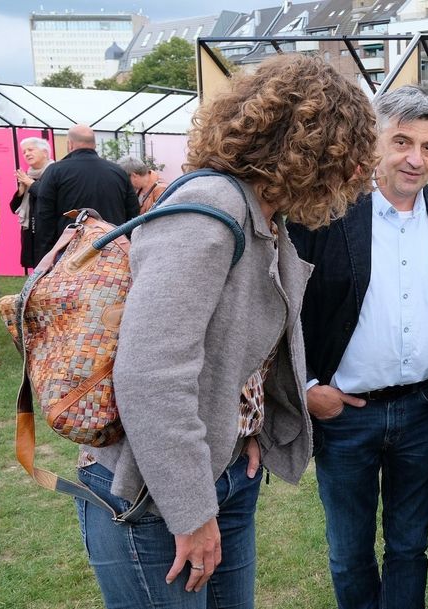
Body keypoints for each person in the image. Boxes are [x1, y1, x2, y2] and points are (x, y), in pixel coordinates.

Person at [74, 54, 378, 609]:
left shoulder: (261, 212)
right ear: (310, 147)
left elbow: (237, 348)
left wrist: (249, 431)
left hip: (222, 473)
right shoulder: (209, 207)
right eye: (348, 155)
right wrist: (191, 512)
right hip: (154, 494)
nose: (356, 174)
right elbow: (150, 374)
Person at [287, 85, 428, 609]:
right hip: (345, 416)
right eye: (402, 141)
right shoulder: (326, 215)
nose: (415, 158)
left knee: (409, 547)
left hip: (425, 412)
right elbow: (282, 309)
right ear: (373, 142)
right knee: (348, 549)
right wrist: (307, 387)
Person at [32, 124, 139, 262]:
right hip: (112, 250)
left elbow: (44, 217)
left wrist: (46, 255)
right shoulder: (118, 172)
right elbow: (133, 213)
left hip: (70, 252)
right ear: (94, 144)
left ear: (70, 144)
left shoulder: (55, 171)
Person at [9, 137, 53, 270]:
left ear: (45, 152)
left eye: (31, 149)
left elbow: (50, 197)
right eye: (24, 152)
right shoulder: (28, 174)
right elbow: (14, 208)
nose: (27, 154)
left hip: (49, 231)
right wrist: (21, 190)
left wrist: (31, 184)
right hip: (31, 231)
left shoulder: (55, 172)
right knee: (36, 269)